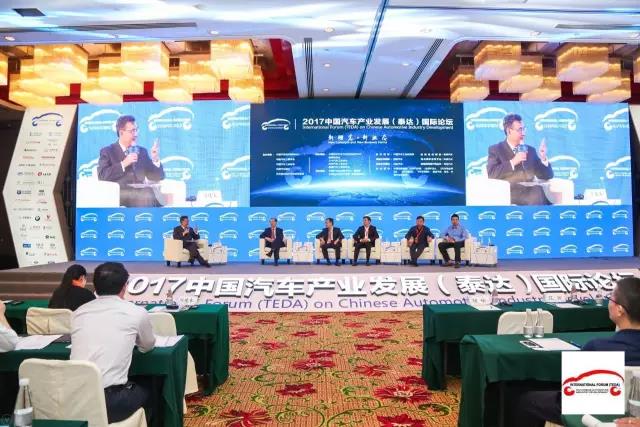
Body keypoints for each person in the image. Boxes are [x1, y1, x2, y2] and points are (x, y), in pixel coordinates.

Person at [514, 277, 640, 427]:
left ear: (620, 310)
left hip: (593, 416)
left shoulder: (598, 348)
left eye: (611, 299)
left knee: (528, 401)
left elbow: (570, 398)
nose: (609, 303)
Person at [71, 262, 156, 424]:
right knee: (152, 385)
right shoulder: (135, 312)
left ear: (95, 286)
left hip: (73, 398)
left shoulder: (78, 313)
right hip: (110, 402)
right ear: (124, 286)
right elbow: (147, 346)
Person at [98, 115, 165, 207]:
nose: (136, 134)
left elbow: (158, 177)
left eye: (136, 130)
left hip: (143, 196)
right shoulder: (108, 151)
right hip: (122, 196)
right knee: (148, 194)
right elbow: (102, 175)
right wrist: (123, 164)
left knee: (150, 193)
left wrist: (155, 158)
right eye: (132, 131)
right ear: (121, 132)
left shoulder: (142, 151)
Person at [487, 113, 554, 205]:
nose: (523, 133)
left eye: (524, 129)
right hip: (511, 194)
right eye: (520, 130)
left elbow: (547, 175)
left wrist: (543, 158)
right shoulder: (496, 149)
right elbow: (492, 173)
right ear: (509, 131)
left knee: (538, 191)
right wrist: (513, 162)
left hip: (533, 194)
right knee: (537, 192)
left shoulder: (530, 150)